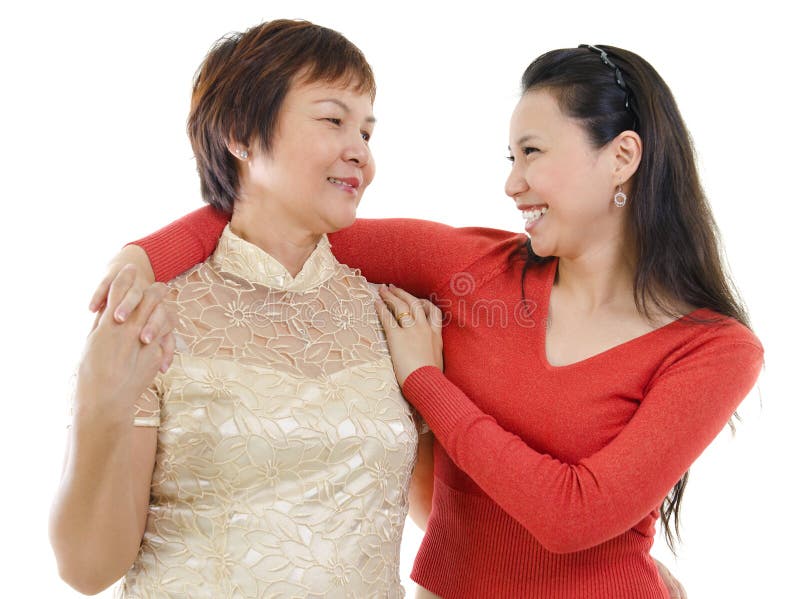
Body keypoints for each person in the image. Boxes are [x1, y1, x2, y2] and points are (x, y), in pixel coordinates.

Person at [85, 45, 732, 598]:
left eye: (532, 153)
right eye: (508, 157)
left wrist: (425, 381)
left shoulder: (713, 348)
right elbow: (275, 215)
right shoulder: (469, 265)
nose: (512, 183)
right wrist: (138, 257)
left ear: (621, 158)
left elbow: (572, 515)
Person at [49, 19, 436, 598]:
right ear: (240, 134)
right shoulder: (158, 317)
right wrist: (98, 409)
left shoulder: (396, 321)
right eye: (333, 120)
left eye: (368, 132)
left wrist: (431, 386)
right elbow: (88, 569)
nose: (360, 152)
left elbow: (441, 526)